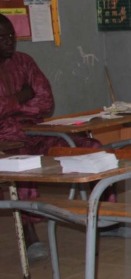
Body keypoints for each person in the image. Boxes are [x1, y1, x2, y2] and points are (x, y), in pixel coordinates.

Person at [0, 14, 107, 260]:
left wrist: (12, 105)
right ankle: (28, 235)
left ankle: (108, 219)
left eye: (11, 36)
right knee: (24, 167)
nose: (8, 42)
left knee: (92, 148)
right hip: (6, 140)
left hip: (36, 131)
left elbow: (45, 102)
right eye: (2, 37)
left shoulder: (24, 62)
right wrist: (20, 97)